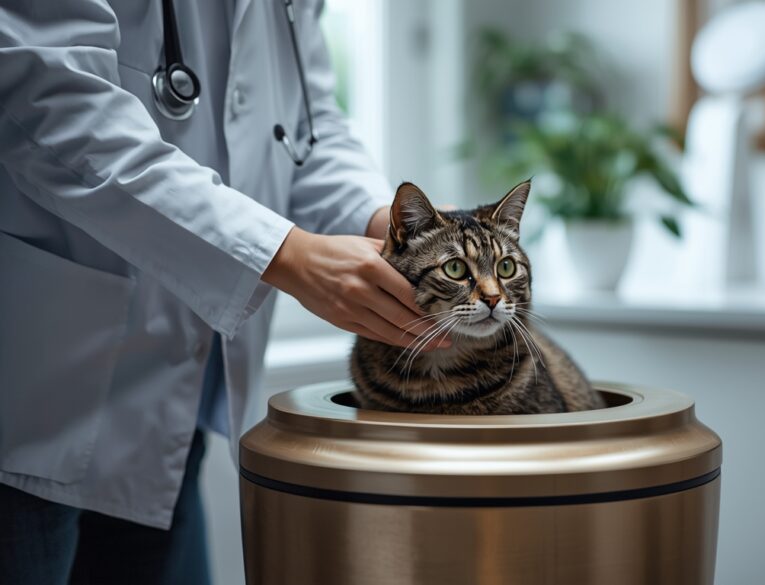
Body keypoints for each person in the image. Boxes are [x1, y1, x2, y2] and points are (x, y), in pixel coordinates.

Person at [0, 1, 446, 582]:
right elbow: (53, 104)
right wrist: (284, 253)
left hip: (174, 401)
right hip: (34, 397)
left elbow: (306, 128)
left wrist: (385, 222)